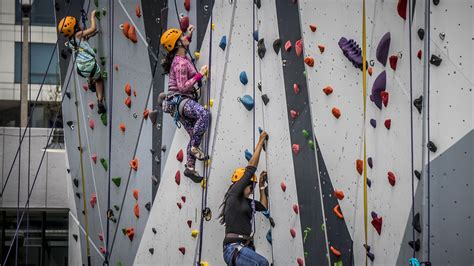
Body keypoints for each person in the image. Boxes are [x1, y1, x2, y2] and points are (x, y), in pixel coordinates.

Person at [156, 25, 209, 183]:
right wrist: (200, 75)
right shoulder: (180, 63)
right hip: (182, 101)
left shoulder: (180, 56)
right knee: (204, 115)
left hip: (178, 105)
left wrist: (189, 35)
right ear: (178, 44)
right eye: (182, 38)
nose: (185, 38)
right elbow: (183, 86)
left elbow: (183, 44)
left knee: (194, 134)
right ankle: (194, 147)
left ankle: (190, 168)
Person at [219, 131, 270, 266]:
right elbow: (250, 169)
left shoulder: (247, 202)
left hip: (243, 248)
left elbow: (264, 206)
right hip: (233, 248)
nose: (252, 189)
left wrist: (261, 186)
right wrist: (260, 141)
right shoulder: (234, 195)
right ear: (242, 185)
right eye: (251, 186)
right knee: (263, 264)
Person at [58, 11, 106, 114]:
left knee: (88, 72)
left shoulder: (70, 42)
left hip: (80, 69)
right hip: (90, 66)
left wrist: (92, 35)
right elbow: (92, 28)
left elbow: (83, 42)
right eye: (77, 24)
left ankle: (89, 81)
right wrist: (92, 16)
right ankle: (100, 101)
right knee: (99, 80)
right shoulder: (78, 35)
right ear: (74, 28)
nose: (79, 25)